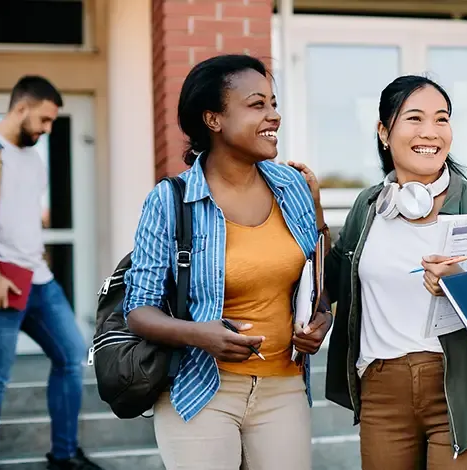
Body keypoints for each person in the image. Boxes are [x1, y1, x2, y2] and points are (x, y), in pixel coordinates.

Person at [322, 75, 467, 469]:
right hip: (381, 390)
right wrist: (312, 215)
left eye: (441, 119)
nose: (430, 132)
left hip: (459, 393)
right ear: (383, 131)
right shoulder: (367, 207)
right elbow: (333, 287)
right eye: (414, 118)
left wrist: (465, 289)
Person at [123, 54, 331, 470]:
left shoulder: (291, 186)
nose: (274, 116)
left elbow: (316, 277)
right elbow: (138, 311)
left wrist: (321, 317)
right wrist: (201, 334)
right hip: (202, 388)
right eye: (257, 105)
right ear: (214, 119)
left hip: (284, 387)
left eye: (273, 103)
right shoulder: (170, 200)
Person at [0, 76, 103, 470]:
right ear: (21, 108)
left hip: (38, 279)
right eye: (44, 120)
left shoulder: (34, 160)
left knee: (72, 354)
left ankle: (63, 455)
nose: (47, 129)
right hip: (2, 281)